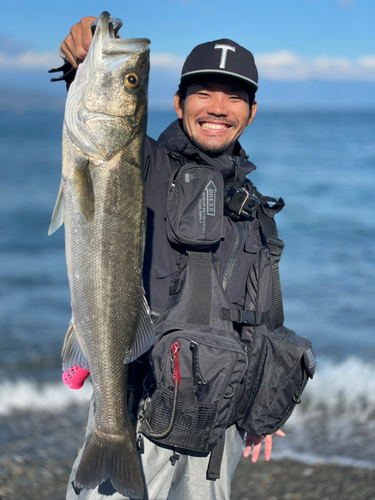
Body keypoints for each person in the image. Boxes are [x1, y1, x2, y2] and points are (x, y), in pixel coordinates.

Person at [57, 16, 285, 500]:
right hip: (139, 421)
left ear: (252, 111)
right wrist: (80, 63)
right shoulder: (144, 165)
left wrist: (263, 403)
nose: (218, 108)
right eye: (203, 92)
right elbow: (107, 138)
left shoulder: (254, 210)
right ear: (178, 102)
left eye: (235, 96)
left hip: (216, 440)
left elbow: (257, 319)